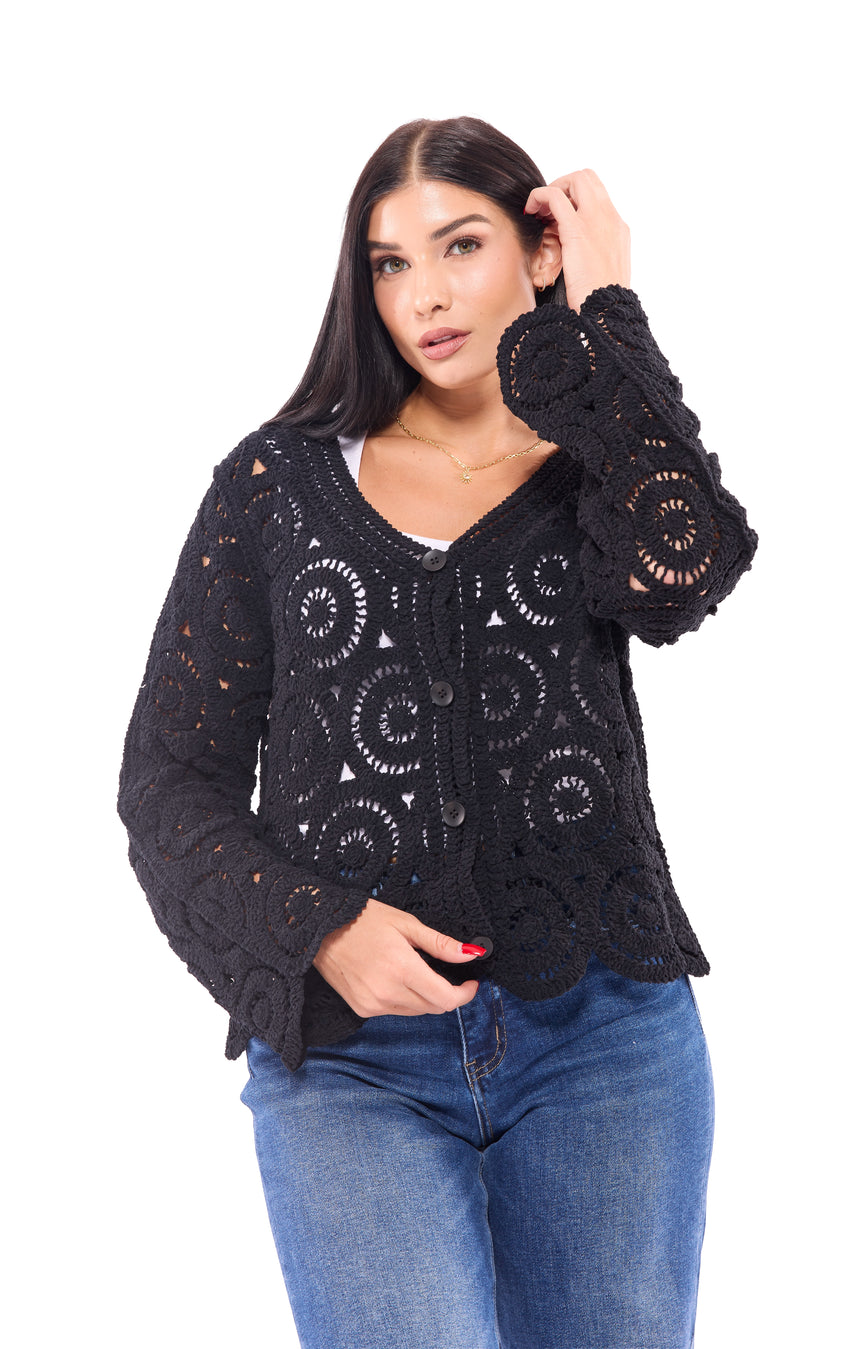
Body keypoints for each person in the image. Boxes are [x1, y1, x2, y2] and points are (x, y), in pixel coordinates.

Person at [118, 116, 757, 1349]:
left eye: (461, 245)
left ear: (539, 248)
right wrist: (320, 926)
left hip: (606, 1042)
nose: (425, 294)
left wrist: (608, 313)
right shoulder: (275, 485)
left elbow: (684, 566)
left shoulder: (595, 469)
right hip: (355, 1062)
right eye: (390, 263)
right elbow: (168, 781)